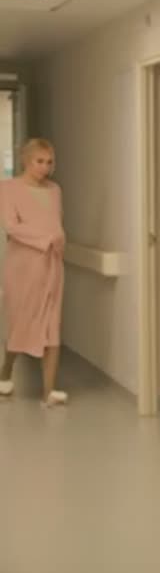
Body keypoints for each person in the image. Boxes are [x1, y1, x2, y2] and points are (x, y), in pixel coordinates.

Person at [0, 138, 67, 406]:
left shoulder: (55, 190)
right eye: (39, 161)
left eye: (49, 162)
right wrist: (44, 239)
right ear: (26, 161)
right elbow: (11, 226)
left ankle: (48, 392)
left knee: (52, 324)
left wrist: (59, 240)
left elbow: (56, 222)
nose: (45, 167)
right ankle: (5, 372)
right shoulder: (8, 189)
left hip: (52, 264)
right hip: (22, 266)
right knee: (21, 321)